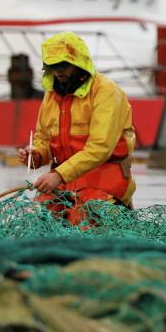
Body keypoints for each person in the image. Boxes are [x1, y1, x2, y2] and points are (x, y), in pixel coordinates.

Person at [18, 31, 136, 224]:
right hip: (63, 184)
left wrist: (58, 175)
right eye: (53, 66)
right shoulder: (52, 94)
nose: (58, 71)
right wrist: (37, 154)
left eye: (63, 65)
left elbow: (100, 148)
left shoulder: (106, 91)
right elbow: (44, 138)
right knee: (34, 219)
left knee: (81, 221)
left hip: (104, 182)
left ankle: (117, 212)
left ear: (79, 63)